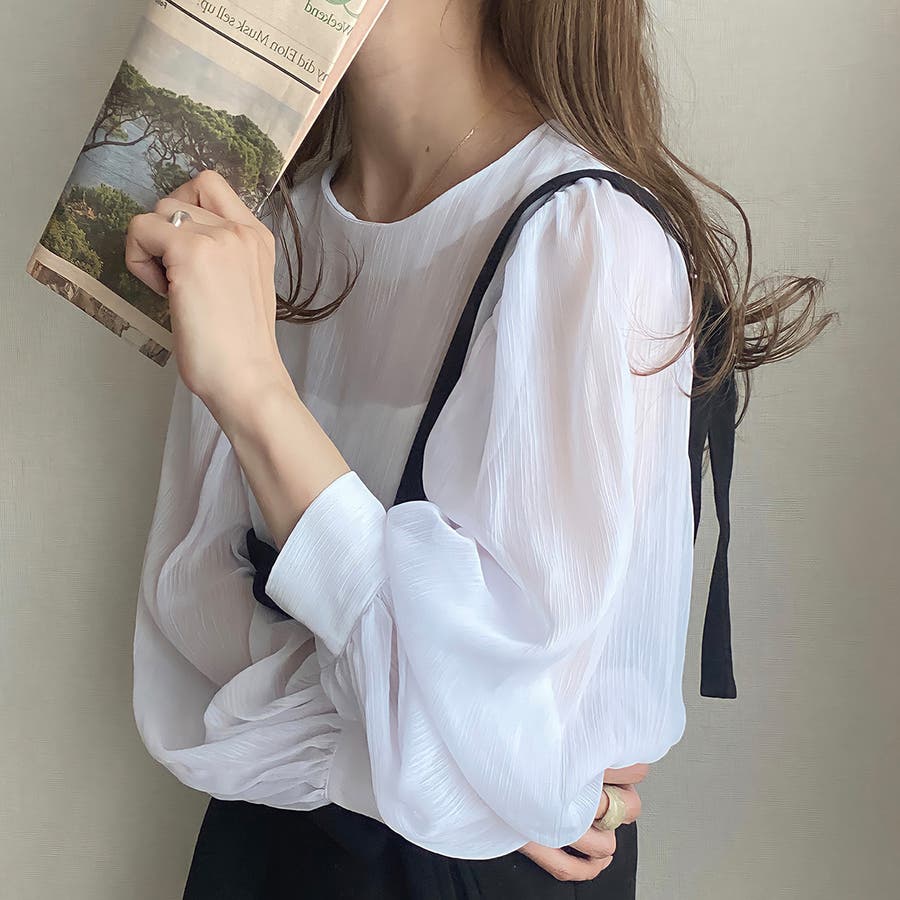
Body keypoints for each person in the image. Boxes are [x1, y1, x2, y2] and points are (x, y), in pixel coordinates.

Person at [125, 1, 832, 896]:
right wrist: (456, 766)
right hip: (264, 857)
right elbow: (189, 653)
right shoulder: (267, 230)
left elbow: (518, 752)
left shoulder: (588, 241)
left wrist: (256, 395)